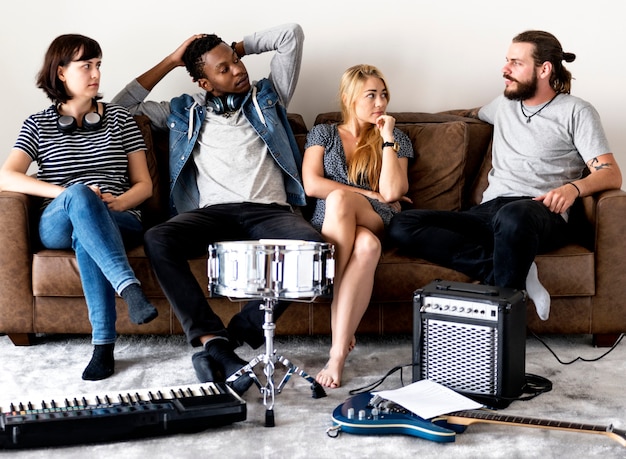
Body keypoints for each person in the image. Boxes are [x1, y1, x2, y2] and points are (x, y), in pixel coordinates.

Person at [111, 23, 324, 395]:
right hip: (211, 212)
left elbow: (290, 34)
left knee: (311, 249)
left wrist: (235, 46)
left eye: (236, 62)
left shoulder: (270, 97)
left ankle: (226, 340)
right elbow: (117, 108)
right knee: (158, 237)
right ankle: (210, 338)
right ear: (205, 83)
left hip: (269, 210)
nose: (237, 69)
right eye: (223, 68)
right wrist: (172, 61)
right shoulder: (182, 111)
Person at [388, 30, 622, 320]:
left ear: (544, 69)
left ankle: (500, 329)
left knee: (515, 215)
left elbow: (611, 173)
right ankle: (513, 272)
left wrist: (573, 189)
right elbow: (472, 113)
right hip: (490, 212)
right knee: (402, 224)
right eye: (506, 61)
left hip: (539, 211)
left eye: (515, 63)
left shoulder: (576, 111)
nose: (505, 69)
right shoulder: (504, 104)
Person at [0, 34, 158, 381]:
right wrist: (68, 194)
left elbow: (144, 185)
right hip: (58, 219)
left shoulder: (121, 120)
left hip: (118, 217)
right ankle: (128, 287)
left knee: (87, 235)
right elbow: (6, 177)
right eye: (86, 65)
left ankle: (103, 346)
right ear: (60, 72)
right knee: (79, 196)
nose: (95, 73)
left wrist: (118, 201)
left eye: (98, 65)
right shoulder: (38, 124)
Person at [302, 64, 413, 388]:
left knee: (338, 198)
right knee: (367, 247)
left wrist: (388, 138)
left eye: (383, 94)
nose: (380, 102)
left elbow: (392, 194)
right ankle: (339, 351)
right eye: (371, 95)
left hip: (376, 216)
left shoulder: (397, 138)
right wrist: (367, 192)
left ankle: (326, 285)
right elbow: (311, 184)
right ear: (349, 98)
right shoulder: (324, 132)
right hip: (333, 220)